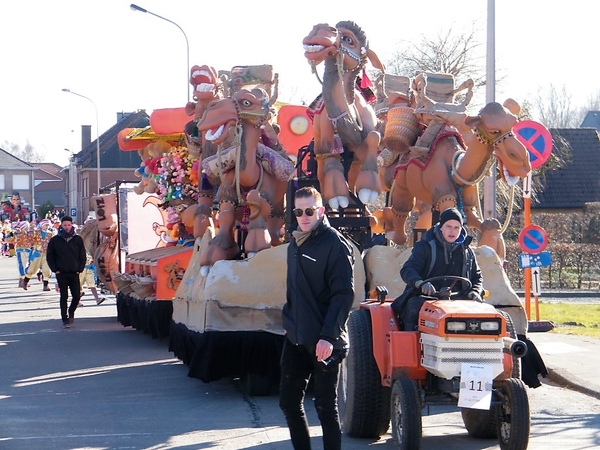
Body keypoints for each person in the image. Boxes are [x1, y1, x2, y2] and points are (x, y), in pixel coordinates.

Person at [280, 186, 355, 450]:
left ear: (320, 211)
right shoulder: (294, 243)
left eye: (309, 211)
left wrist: (328, 336)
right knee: (288, 402)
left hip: (324, 340)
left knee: (325, 407)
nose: (303, 216)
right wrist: (288, 324)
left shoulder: (334, 244)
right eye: (298, 211)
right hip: (296, 337)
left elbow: (344, 294)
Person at [392, 207, 484, 331]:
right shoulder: (425, 246)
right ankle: (411, 345)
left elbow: (477, 277)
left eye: (456, 227)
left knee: (483, 315)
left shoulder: (467, 252)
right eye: (448, 226)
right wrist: (420, 283)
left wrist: (475, 291)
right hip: (427, 298)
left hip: (458, 299)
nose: (452, 231)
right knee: (413, 305)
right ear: (441, 227)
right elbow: (408, 269)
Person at [46, 216, 86, 328]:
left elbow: (82, 255)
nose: (67, 227)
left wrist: (80, 268)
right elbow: (50, 256)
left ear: (71, 225)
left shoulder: (77, 239)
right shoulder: (55, 240)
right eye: (65, 225)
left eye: (69, 225)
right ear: (61, 226)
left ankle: (71, 311)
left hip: (74, 272)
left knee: (76, 295)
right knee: (64, 296)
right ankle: (65, 319)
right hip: (61, 272)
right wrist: (55, 269)